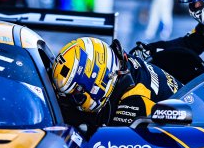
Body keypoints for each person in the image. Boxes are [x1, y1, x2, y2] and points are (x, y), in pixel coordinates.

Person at [52, 37, 182, 130]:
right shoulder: (123, 64)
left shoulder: (134, 100)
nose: (74, 100)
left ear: (97, 81)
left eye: (76, 95)